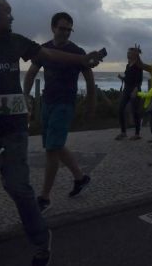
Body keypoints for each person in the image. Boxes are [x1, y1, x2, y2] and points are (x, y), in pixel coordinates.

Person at [0, 0, 103, 266]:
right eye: (7, 11)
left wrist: (83, 59)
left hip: (13, 130)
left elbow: (48, 55)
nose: (12, 17)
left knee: (18, 187)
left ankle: (40, 241)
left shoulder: (16, 41)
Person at [22, 12, 96, 215]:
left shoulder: (78, 52)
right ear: (53, 27)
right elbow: (31, 73)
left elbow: (89, 79)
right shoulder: (43, 50)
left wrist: (91, 103)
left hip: (65, 104)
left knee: (52, 150)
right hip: (47, 102)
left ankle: (44, 198)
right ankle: (80, 178)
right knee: (54, 145)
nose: (65, 32)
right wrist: (24, 96)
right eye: (62, 28)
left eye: (68, 29)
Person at [115, 46, 144, 140]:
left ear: (135, 54)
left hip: (135, 90)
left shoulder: (138, 65)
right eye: (127, 53)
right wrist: (122, 78)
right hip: (126, 90)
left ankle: (137, 133)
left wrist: (135, 90)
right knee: (120, 109)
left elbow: (139, 80)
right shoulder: (128, 65)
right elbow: (128, 79)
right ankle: (123, 132)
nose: (128, 54)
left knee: (135, 112)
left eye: (130, 53)